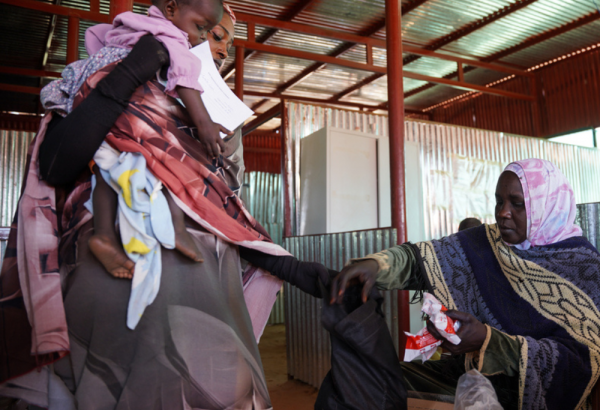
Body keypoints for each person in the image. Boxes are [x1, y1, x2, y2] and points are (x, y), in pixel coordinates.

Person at [0, 6, 328, 409]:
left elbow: (217, 213)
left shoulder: (220, 120)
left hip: (200, 308)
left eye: (225, 40)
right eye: (212, 33)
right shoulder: (104, 71)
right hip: (107, 308)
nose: (220, 48)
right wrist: (132, 72)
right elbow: (55, 163)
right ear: (171, 18)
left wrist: (292, 268)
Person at [330, 159, 600, 410]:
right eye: (498, 201)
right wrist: (377, 266)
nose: (503, 213)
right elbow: (419, 259)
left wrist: (487, 340)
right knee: (355, 380)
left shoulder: (583, 267)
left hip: (527, 394)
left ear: (546, 207)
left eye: (517, 203)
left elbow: (583, 361)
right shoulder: (486, 242)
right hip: (470, 375)